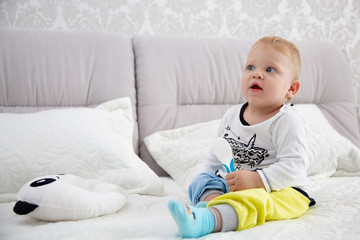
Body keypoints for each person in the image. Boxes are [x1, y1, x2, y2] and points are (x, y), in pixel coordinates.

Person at [168, 36, 316, 238]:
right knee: (202, 181)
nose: (257, 74)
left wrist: (258, 179)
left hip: (281, 190)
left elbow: (295, 167)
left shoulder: (287, 121)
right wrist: (214, 177)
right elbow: (217, 153)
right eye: (250, 67)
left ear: (291, 89)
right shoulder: (231, 115)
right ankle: (212, 206)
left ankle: (208, 220)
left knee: (256, 201)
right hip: (237, 182)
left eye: (269, 69)